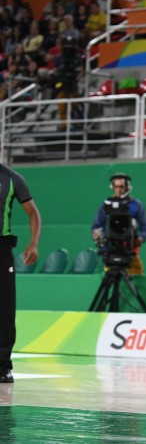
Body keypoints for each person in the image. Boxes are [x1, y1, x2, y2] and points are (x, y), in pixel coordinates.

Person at [0, 150, 42, 383]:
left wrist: (33, 243)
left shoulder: (13, 179)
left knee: (5, 308)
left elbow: (33, 213)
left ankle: (3, 365)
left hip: (1, 250)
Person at [91, 173, 146, 275]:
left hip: (130, 251)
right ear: (112, 187)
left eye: (121, 187)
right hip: (109, 251)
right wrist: (96, 235)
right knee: (111, 279)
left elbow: (145, 226)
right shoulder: (105, 205)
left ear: (128, 187)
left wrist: (141, 238)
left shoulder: (136, 205)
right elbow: (96, 226)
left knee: (137, 281)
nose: (118, 190)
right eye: (116, 187)